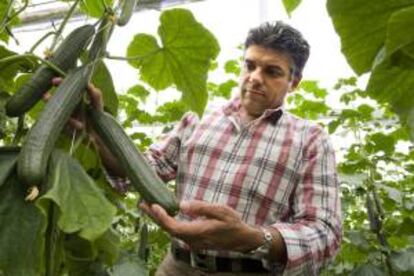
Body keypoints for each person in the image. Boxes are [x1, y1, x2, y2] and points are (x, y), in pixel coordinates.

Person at [85, 21, 342, 275]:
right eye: (250, 65)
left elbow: (325, 232)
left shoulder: (310, 139)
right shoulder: (198, 117)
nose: (254, 78)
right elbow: (143, 170)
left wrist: (253, 238)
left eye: (272, 72)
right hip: (175, 267)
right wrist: (97, 134)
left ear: (294, 82)